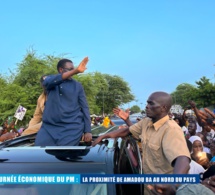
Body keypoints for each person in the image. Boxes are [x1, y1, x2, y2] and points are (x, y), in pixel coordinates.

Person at [92, 91, 190, 195]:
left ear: (164, 108)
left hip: (162, 191)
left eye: (151, 104)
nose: (147, 106)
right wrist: (103, 136)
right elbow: (127, 131)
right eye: (147, 103)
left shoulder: (171, 129)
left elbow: (182, 159)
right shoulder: (146, 122)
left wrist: (173, 185)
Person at [35, 57, 92, 146]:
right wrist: (76, 70)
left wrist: (88, 131)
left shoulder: (77, 86)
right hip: (49, 128)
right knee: (39, 154)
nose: (73, 72)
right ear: (61, 70)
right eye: (70, 69)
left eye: (73, 69)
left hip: (71, 129)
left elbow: (85, 108)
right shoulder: (50, 81)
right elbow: (47, 81)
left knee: (63, 157)